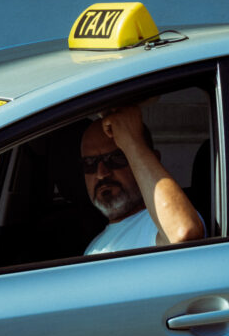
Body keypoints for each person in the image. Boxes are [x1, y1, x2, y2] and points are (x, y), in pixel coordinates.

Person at [81, 104, 204, 255]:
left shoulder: (158, 224)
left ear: (152, 160)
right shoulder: (93, 248)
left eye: (116, 158)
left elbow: (184, 233)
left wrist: (132, 141)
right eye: (89, 163)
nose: (101, 173)